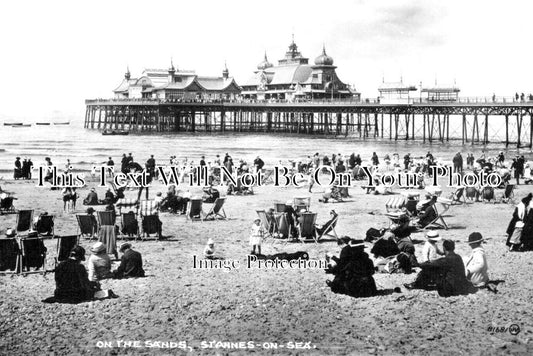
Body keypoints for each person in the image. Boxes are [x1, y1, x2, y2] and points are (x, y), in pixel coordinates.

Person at [405, 240, 473, 297]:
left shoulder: (446, 259)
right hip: (461, 286)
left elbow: (430, 265)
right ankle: (417, 284)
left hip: (449, 290)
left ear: (444, 248)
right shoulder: (458, 257)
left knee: (428, 269)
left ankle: (415, 285)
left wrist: (418, 264)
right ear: (454, 248)